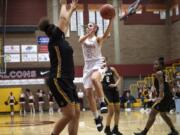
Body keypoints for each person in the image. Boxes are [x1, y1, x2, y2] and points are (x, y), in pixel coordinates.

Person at [38, 0, 80, 135]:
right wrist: (63, 4)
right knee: (69, 114)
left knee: (77, 113)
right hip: (58, 79)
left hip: (68, 80)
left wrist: (72, 10)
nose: (64, 27)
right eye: (60, 28)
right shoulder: (55, 39)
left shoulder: (60, 39)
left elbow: (65, 22)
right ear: (55, 31)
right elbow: (63, 19)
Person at [79, 15, 114, 131]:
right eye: (88, 26)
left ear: (95, 28)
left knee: (95, 79)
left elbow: (105, 34)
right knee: (88, 94)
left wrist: (111, 21)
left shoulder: (97, 39)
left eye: (91, 25)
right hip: (87, 66)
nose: (88, 27)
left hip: (98, 63)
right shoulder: (83, 37)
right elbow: (80, 40)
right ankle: (97, 118)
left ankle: (102, 103)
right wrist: (89, 33)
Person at [134, 57, 179, 135]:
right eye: (154, 64)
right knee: (163, 114)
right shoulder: (163, 72)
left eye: (156, 64)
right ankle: (174, 131)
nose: (154, 65)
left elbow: (161, 85)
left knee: (152, 113)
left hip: (164, 96)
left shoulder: (158, 73)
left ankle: (144, 133)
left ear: (161, 65)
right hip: (167, 95)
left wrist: (160, 96)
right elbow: (167, 84)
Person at [102, 58, 123, 135]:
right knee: (111, 111)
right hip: (106, 92)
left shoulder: (112, 69)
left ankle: (115, 129)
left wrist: (115, 84)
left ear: (107, 62)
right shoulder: (99, 71)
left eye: (104, 61)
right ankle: (107, 129)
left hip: (114, 91)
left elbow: (119, 78)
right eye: (102, 61)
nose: (103, 63)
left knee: (117, 111)